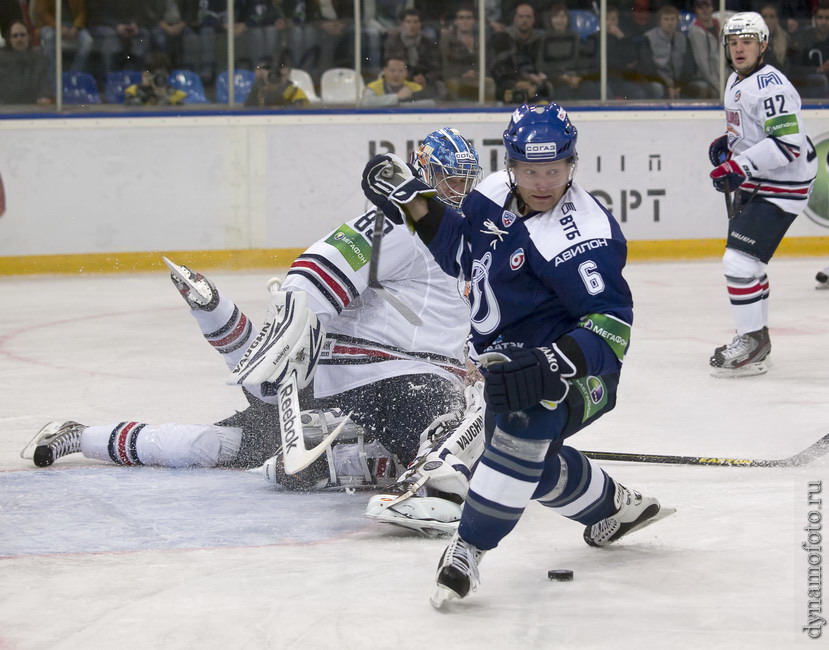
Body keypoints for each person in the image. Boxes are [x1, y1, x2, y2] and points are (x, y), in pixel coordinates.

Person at [24, 128, 485, 533]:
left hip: (360, 381)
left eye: (467, 180)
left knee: (214, 445)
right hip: (381, 375)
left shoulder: (456, 233)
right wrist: (296, 320)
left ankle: (80, 435)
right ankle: (416, 482)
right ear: (423, 173)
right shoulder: (399, 220)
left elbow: (450, 310)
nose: (460, 192)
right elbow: (315, 267)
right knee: (451, 431)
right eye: (450, 179)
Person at [361, 103, 673, 608]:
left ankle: (467, 551)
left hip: (582, 372)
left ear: (572, 164)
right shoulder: (489, 195)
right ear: (511, 164)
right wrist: (413, 202)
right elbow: (463, 253)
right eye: (531, 170)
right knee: (532, 468)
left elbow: (611, 327)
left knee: (518, 443)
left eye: (555, 170)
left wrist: (551, 364)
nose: (543, 182)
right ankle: (617, 507)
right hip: (505, 362)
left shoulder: (586, 235)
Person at [707, 12, 817, 377]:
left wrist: (739, 167)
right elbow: (755, 130)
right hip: (761, 179)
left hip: (782, 185)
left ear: (763, 45)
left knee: (738, 264)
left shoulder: (772, 86)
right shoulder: (738, 79)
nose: (739, 48)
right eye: (733, 42)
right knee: (749, 265)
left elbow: (788, 144)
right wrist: (730, 144)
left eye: (747, 42)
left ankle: (751, 340)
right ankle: (759, 341)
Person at [639, 4, 706, 99]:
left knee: (701, 87)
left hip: (681, 82)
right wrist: (667, 86)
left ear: (677, 21)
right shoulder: (649, 38)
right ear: (659, 22)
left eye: (672, 19)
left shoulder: (683, 38)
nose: (669, 23)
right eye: (666, 19)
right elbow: (647, 67)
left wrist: (680, 85)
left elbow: (688, 64)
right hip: (658, 81)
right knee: (656, 88)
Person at [535, 2, 598, 101]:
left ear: (567, 19)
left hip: (573, 77)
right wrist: (561, 76)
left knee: (590, 88)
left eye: (562, 16)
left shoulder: (574, 37)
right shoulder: (544, 38)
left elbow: (580, 61)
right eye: (556, 17)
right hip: (554, 79)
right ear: (551, 19)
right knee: (562, 92)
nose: (559, 20)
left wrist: (577, 77)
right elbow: (541, 65)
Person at [382, 9, 443, 100]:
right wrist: (411, 79)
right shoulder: (392, 42)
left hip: (425, 82)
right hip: (400, 81)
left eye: (415, 22)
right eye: (408, 22)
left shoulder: (429, 43)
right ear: (402, 24)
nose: (412, 25)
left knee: (440, 88)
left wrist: (426, 79)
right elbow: (391, 67)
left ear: (420, 24)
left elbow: (436, 67)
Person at [439, 5, 495, 102]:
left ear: (473, 21)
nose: (465, 21)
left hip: (476, 78)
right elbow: (445, 65)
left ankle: (487, 113)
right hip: (456, 78)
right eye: (461, 18)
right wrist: (463, 74)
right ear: (456, 22)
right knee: (453, 84)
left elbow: (486, 64)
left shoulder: (480, 41)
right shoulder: (448, 40)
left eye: (468, 18)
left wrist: (476, 74)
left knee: (490, 83)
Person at [34, 0, 95, 82]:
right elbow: (42, 13)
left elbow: (82, 12)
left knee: (88, 41)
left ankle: (73, 76)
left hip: (73, 25)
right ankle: (52, 79)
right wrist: (59, 27)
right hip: (51, 25)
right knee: (48, 37)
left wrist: (76, 27)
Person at [0, 20, 52, 105]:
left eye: (22, 35)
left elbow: (45, 82)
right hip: (5, 108)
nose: (19, 39)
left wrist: (44, 96)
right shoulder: (1, 59)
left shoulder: (39, 59)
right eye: (15, 36)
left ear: (28, 37)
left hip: (32, 108)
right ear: (9, 39)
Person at [790, 0, 829, 99]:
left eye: (827, 18)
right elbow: (795, 70)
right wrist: (819, 69)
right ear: (814, 19)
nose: (824, 22)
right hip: (809, 92)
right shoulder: (804, 39)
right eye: (820, 18)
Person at [362, 56, 435, 107]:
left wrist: (396, 105)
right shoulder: (373, 87)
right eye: (392, 70)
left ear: (406, 72)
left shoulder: (415, 87)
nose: (396, 74)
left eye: (400, 71)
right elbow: (366, 102)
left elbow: (430, 103)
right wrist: (396, 97)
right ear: (385, 70)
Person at [244, 51, 309, 107]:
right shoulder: (257, 91)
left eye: (282, 75)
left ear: (288, 74)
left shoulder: (295, 92)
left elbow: (299, 115)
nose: (275, 78)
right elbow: (248, 110)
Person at [687, 0, 722, 99]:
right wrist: (717, 83)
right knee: (714, 92)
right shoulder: (695, 32)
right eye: (700, 7)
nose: (704, 10)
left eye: (707, 6)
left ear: (712, 8)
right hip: (703, 78)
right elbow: (702, 62)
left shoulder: (721, 25)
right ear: (696, 10)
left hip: (723, 74)